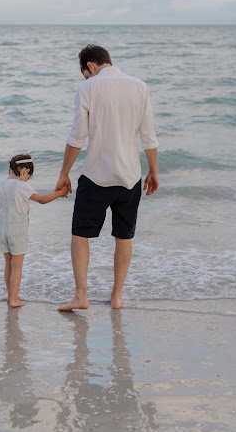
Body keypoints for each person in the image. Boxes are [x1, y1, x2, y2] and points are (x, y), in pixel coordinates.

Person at [56, 45, 159, 311]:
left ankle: (81, 296)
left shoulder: (87, 89)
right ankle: (117, 296)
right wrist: (153, 170)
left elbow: (77, 137)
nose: (86, 79)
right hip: (130, 177)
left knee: (80, 234)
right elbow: (148, 136)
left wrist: (64, 173)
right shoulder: (139, 86)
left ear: (90, 66)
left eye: (85, 74)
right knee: (124, 237)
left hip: (96, 176)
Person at [0, 154, 68, 308]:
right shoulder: (23, 186)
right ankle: (14, 299)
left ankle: (10, 296)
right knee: (17, 266)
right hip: (17, 231)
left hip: (2, 230)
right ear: (26, 171)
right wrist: (60, 193)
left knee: (8, 264)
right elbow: (42, 200)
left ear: (9, 170)